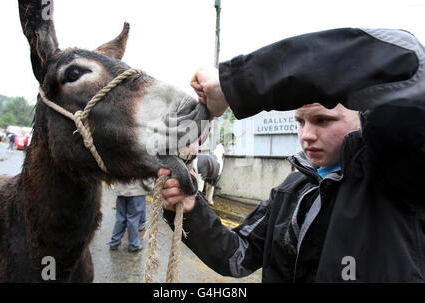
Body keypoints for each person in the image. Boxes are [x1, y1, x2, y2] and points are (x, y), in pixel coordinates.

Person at [160, 28, 425, 282]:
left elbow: (411, 63)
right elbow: (238, 254)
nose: (307, 135)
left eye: (323, 120)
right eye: (300, 122)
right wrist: (193, 209)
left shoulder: (397, 177)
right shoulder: (291, 191)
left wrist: (233, 85)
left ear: (364, 118)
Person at [108, 178, 154, 252]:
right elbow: (146, 175)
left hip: (121, 191)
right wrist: (149, 186)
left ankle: (114, 242)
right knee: (133, 219)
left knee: (120, 218)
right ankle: (134, 245)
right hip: (136, 191)